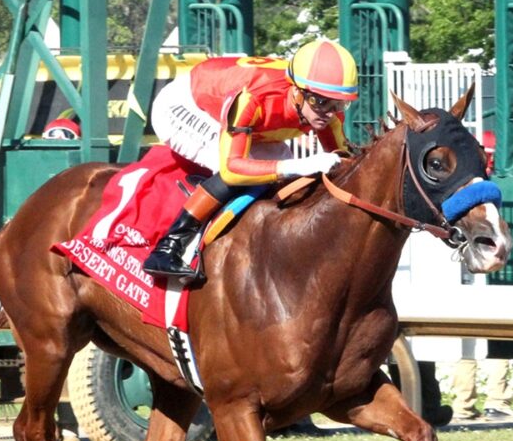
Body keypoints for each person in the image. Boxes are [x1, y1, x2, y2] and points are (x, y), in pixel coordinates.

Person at [143, 39, 358, 283]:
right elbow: (232, 169)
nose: (330, 112)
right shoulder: (253, 98)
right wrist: (299, 165)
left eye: (339, 103)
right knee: (249, 170)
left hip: (247, 116)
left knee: (285, 172)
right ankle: (170, 246)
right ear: (297, 91)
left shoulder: (325, 105)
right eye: (321, 102)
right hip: (185, 105)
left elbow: (344, 163)